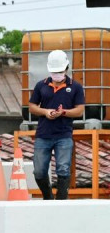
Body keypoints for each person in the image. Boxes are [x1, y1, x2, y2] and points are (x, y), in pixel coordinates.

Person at [28, 49, 85, 200]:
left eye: (60, 71)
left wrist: (64, 112)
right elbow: (32, 106)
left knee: (63, 169)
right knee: (39, 171)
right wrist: (46, 112)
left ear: (66, 68)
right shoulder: (41, 85)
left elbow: (79, 110)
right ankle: (47, 197)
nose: (57, 74)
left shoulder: (76, 87)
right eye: (54, 72)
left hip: (64, 135)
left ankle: (61, 200)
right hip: (43, 134)